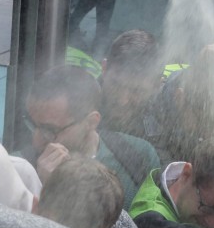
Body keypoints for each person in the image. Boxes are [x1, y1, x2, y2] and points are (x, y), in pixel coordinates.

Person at [24, 64, 160, 205]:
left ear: (91, 122)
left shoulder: (138, 155)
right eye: (32, 124)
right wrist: (43, 187)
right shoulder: (21, 169)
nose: (36, 140)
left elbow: (150, 224)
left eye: (50, 130)